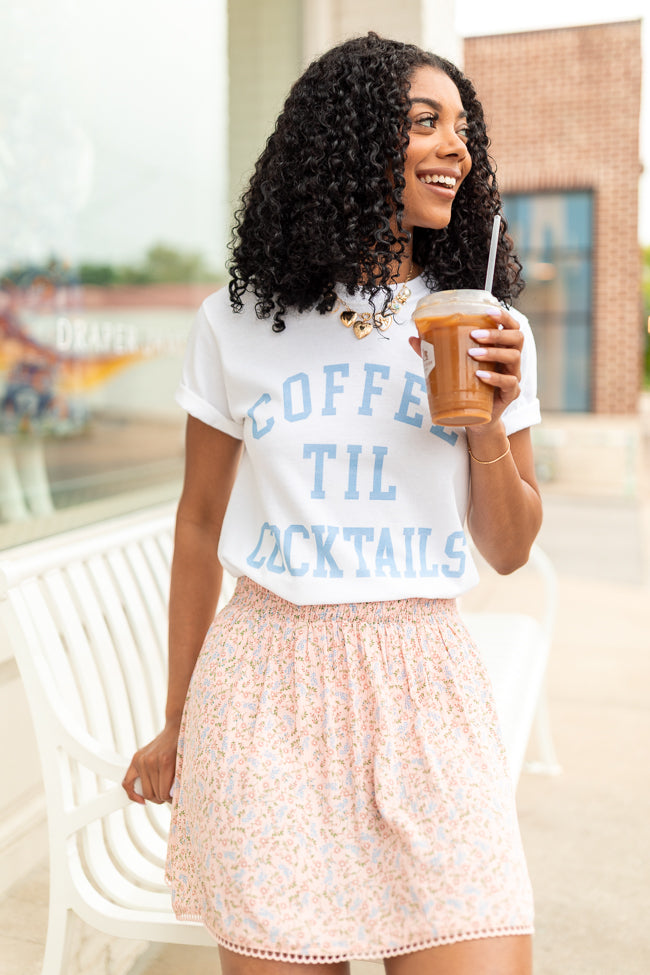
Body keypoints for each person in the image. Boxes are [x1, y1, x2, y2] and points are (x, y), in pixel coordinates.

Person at [123, 32, 542, 975]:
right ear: (348, 142)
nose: (457, 147)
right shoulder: (237, 321)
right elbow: (197, 524)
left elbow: (509, 548)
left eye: (463, 129)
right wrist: (178, 719)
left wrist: (487, 423)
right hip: (270, 690)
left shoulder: (487, 321)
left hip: (426, 682)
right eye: (425, 122)